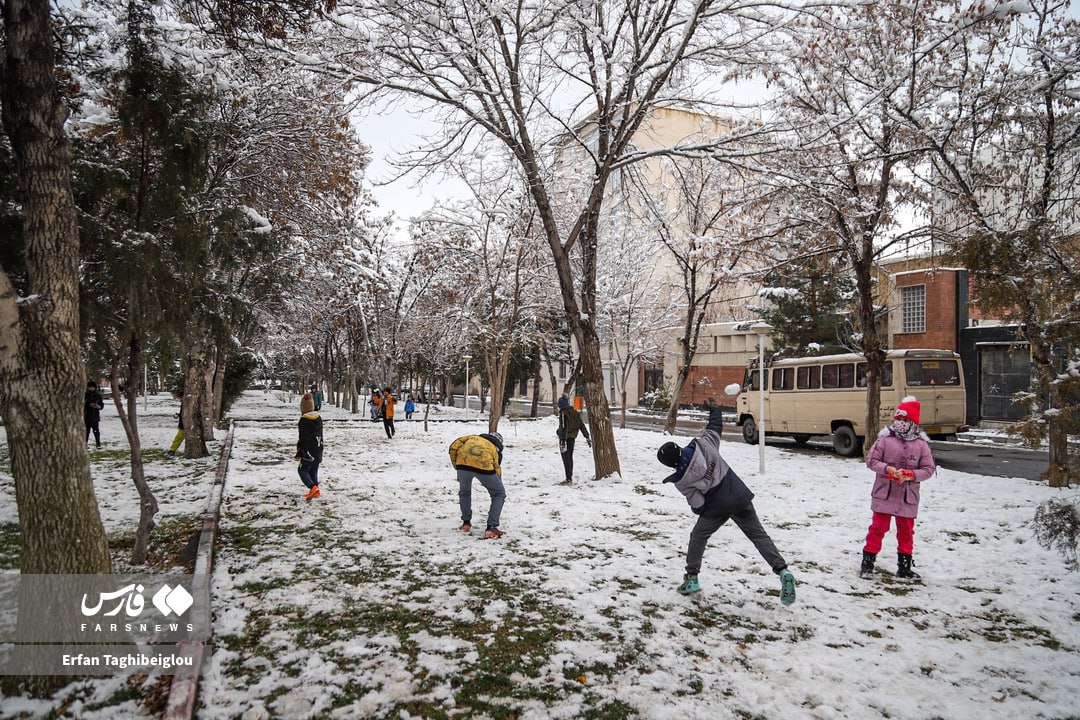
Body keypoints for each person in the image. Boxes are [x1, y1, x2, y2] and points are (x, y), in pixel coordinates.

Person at [657, 398, 796, 603]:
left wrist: (704, 505)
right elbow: (715, 426)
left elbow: (698, 504)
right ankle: (783, 571)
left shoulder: (681, 481)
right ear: (678, 447)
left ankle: (692, 578)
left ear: (670, 465)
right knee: (758, 535)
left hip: (716, 507)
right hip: (739, 495)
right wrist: (715, 409)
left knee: (698, 536)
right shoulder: (704, 444)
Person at [860, 396, 937, 580]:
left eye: (905, 420)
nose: (901, 423)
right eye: (899, 419)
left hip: (906, 497)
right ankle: (867, 564)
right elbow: (871, 461)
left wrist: (911, 475)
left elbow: (928, 469)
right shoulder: (884, 440)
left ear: (913, 422)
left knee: (906, 532)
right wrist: (888, 469)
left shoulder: (921, 445)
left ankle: (904, 568)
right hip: (884, 494)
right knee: (878, 528)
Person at [449, 432, 506, 539]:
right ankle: (491, 527)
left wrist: (456, 465)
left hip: (463, 464)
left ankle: (466, 523)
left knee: (464, 492)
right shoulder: (493, 448)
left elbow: (454, 446)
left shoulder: (471, 437)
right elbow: (496, 466)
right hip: (484, 466)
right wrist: (498, 481)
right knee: (498, 494)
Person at [556, 395, 591, 485]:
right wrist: (587, 436)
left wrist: (562, 440)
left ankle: (568, 479)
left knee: (566, 458)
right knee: (570, 457)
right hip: (572, 438)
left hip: (565, 439)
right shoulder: (575, 412)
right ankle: (569, 478)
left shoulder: (563, 413)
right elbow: (581, 425)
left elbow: (564, 427)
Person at [295, 392, 324, 499]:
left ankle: (312, 487)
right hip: (318, 448)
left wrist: (302, 451)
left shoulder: (304, 421)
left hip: (308, 451)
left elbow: (304, 437)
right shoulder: (318, 419)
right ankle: (315, 490)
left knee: (302, 470)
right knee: (314, 469)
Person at [84, 381, 104, 447]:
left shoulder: (98, 395)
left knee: (96, 431)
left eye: (93, 387)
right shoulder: (85, 395)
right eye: (90, 387)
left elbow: (101, 404)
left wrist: (99, 407)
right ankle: (85, 444)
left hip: (95, 416)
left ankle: (98, 443)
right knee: (86, 431)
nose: (92, 388)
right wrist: (88, 405)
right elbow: (83, 404)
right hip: (86, 416)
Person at [166, 392, 185, 457]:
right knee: (178, 437)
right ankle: (172, 450)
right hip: (183, 424)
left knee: (178, 437)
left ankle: (172, 450)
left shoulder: (186, 404)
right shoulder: (184, 404)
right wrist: (179, 415)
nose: (180, 400)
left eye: (180, 398)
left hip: (184, 425)